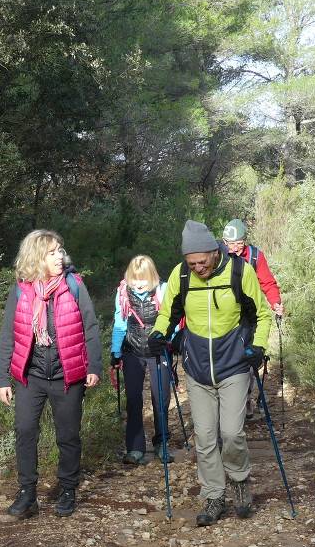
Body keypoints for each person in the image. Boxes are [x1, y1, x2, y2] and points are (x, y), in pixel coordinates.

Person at [149, 220, 271, 526]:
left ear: (214, 253)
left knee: (231, 433)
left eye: (201, 262)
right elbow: (169, 313)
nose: (197, 268)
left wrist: (257, 347)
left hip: (234, 364)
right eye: (191, 263)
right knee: (204, 437)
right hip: (197, 365)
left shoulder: (239, 272)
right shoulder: (182, 275)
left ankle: (240, 482)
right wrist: (157, 334)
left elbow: (262, 313)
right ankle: (214, 495)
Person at [0, 230, 102, 519]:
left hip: (68, 374)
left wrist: (94, 366)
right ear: (36, 257)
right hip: (31, 376)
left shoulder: (74, 284)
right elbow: (8, 334)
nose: (60, 257)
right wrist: (2, 378)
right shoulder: (21, 289)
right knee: (25, 431)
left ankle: (68, 490)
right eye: (52, 253)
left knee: (68, 436)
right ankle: (27, 493)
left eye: (60, 251)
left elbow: (90, 327)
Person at [110, 255, 173, 466]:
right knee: (134, 399)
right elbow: (119, 324)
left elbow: (172, 319)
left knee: (161, 398)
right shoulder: (123, 293)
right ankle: (135, 447)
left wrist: (169, 340)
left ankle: (162, 443)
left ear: (152, 277)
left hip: (157, 351)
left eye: (143, 279)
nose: (138, 284)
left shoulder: (163, 291)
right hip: (132, 351)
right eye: (134, 279)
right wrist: (115, 352)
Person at [222, 218, 283, 418]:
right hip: (226, 315)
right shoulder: (218, 257)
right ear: (224, 242)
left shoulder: (255, 256)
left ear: (245, 241)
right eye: (231, 244)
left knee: (248, 359)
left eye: (239, 243)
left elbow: (267, 283)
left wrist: (275, 302)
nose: (236, 249)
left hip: (250, 316)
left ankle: (244, 400)